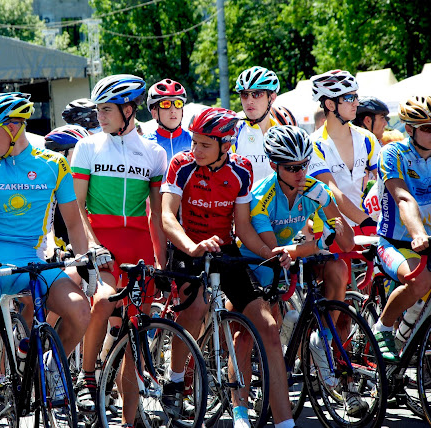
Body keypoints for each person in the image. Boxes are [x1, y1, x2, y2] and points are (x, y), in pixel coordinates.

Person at [0, 92, 97, 426]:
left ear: (12, 128)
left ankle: (50, 365)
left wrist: (86, 261)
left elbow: (74, 224)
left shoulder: (54, 165)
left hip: (32, 262)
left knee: (81, 310)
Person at [161, 108, 295, 428]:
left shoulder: (241, 169)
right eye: (194, 142)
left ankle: (282, 421)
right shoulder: (181, 164)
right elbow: (166, 216)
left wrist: (269, 254)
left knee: (266, 325)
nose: (196, 150)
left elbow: (243, 227)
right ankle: (175, 379)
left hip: (224, 248)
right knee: (196, 307)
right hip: (188, 247)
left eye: (204, 145)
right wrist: (191, 246)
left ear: (226, 145)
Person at [239, 125, 362, 416]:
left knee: (338, 267)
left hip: (291, 251)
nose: (300, 173)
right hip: (258, 258)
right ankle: (266, 374)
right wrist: (314, 244)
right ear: (274, 165)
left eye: (304, 165)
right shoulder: (261, 196)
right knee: (268, 316)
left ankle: (322, 340)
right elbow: (275, 251)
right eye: (292, 167)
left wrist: (328, 203)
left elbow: (346, 242)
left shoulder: (313, 189)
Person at [70, 74, 167, 426]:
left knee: (133, 339)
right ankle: (86, 377)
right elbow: (77, 207)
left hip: (138, 246)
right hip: (102, 243)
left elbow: (157, 216)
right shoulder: (88, 147)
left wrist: (162, 262)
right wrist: (93, 244)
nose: (99, 116)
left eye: (106, 109)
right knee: (104, 301)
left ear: (128, 110)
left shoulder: (154, 153)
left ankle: (128, 421)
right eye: (98, 109)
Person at [371, 95, 431, 363]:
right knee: (420, 281)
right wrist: (417, 233)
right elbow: (403, 198)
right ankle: (382, 328)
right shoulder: (393, 153)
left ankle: (407, 335)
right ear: (409, 129)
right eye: (427, 128)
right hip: (396, 242)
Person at [309, 70, 380, 231]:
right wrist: (367, 222)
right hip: (330, 228)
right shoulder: (314, 144)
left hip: (364, 224)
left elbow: (386, 180)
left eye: (356, 97)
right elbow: (332, 191)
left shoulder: (367, 138)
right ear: (330, 105)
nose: (356, 103)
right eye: (349, 98)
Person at [232, 66, 281, 184]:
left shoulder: (281, 132)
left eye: (257, 94)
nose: (249, 101)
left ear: (272, 98)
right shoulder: (233, 130)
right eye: (244, 95)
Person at [143, 79, 193, 163]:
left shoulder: (194, 141)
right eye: (166, 104)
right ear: (154, 113)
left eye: (178, 104)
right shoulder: (145, 144)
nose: (173, 110)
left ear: (182, 111)